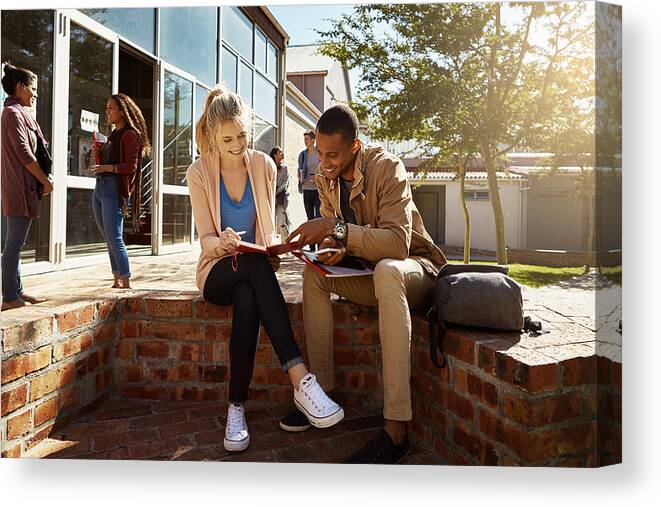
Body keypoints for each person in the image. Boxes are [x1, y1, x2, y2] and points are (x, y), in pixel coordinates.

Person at [284, 104, 448, 464]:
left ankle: (396, 428)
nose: (323, 163)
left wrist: (333, 229)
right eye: (319, 153)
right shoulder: (327, 178)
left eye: (333, 155)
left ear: (354, 147)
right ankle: (322, 396)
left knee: (388, 269)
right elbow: (343, 241)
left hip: (414, 273)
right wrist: (329, 250)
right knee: (314, 275)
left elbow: (395, 244)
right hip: (369, 274)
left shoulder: (388, 168)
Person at [186, 84, 344, 453]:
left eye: (242, 135)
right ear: (212, 135)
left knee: (249, 292)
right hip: (216, 272)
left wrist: (275, 247)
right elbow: (205, 239)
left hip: (252, 270)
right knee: (246, 273)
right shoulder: (198, 172)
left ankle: (236, 407)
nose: (238, 145)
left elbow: (266, 232)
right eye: (228, 139)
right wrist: (222, 244)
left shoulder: (264, 165)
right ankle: (301, 380)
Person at [1, 62, 52, 311]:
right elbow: (24, 153)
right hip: (18, 188)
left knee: (16, 243)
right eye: (33, 88)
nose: (35, 94)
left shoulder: (19, 113)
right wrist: (45, 180)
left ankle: (17, 290)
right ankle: (10, 296)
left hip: (24, 187)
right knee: (13, 245)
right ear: (19, 88)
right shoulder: (12, 114)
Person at [88, 93, 150, 289]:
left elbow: (131, 166)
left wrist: (107, 168)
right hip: (100, 187)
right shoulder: (113, 135)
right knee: (108, 237)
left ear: (122, 111)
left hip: (113, 190)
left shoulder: (130, 135)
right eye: (106, 108)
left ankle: (126, 280)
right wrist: (98, 155)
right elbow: (110, 161)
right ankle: (116, 280)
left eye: (111, 108)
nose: (107, 111)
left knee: (115, 237)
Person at [297, 131, 320, 249]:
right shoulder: (302, 155)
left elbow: (325, 171)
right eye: (304, 139)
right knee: (310, 219)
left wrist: (317, 178)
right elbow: (299, 169)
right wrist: (300, 176)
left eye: (307, 139)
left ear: (313, 140)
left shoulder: (320, 154)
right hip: (307, 189)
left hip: (319, 190)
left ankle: (321, 247)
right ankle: (312, 249)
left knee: (319, 218)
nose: (305, 141)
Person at [269, 146, 291, 239]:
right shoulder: (269, 167)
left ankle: (285, 243)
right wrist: (272, 193)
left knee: (282, 222)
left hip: (282, 199)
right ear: (275, 154)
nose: (282, 153)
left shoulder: (285, 168)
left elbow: (285, 183)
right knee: (270, 222)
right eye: (280, 152)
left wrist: (276, 192)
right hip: (271, 199)